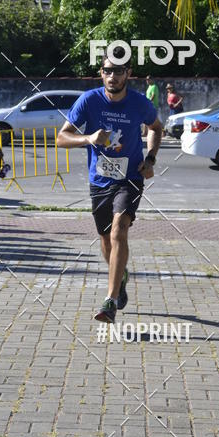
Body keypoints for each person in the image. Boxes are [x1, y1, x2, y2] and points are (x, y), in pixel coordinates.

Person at [57, 47, 163, 323]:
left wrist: (150, 158)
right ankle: (121, 275)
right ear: (101, 73)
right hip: (100, 181)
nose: (112, 76)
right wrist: (88, 138)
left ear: (128, 73)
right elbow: (62, 137)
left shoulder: (140, 103)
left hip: (131, 178)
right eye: (107, 71)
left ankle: (110, 301)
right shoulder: (88, 101)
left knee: (119, 231)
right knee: (105, 238)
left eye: (118, 71)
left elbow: (156, 127)